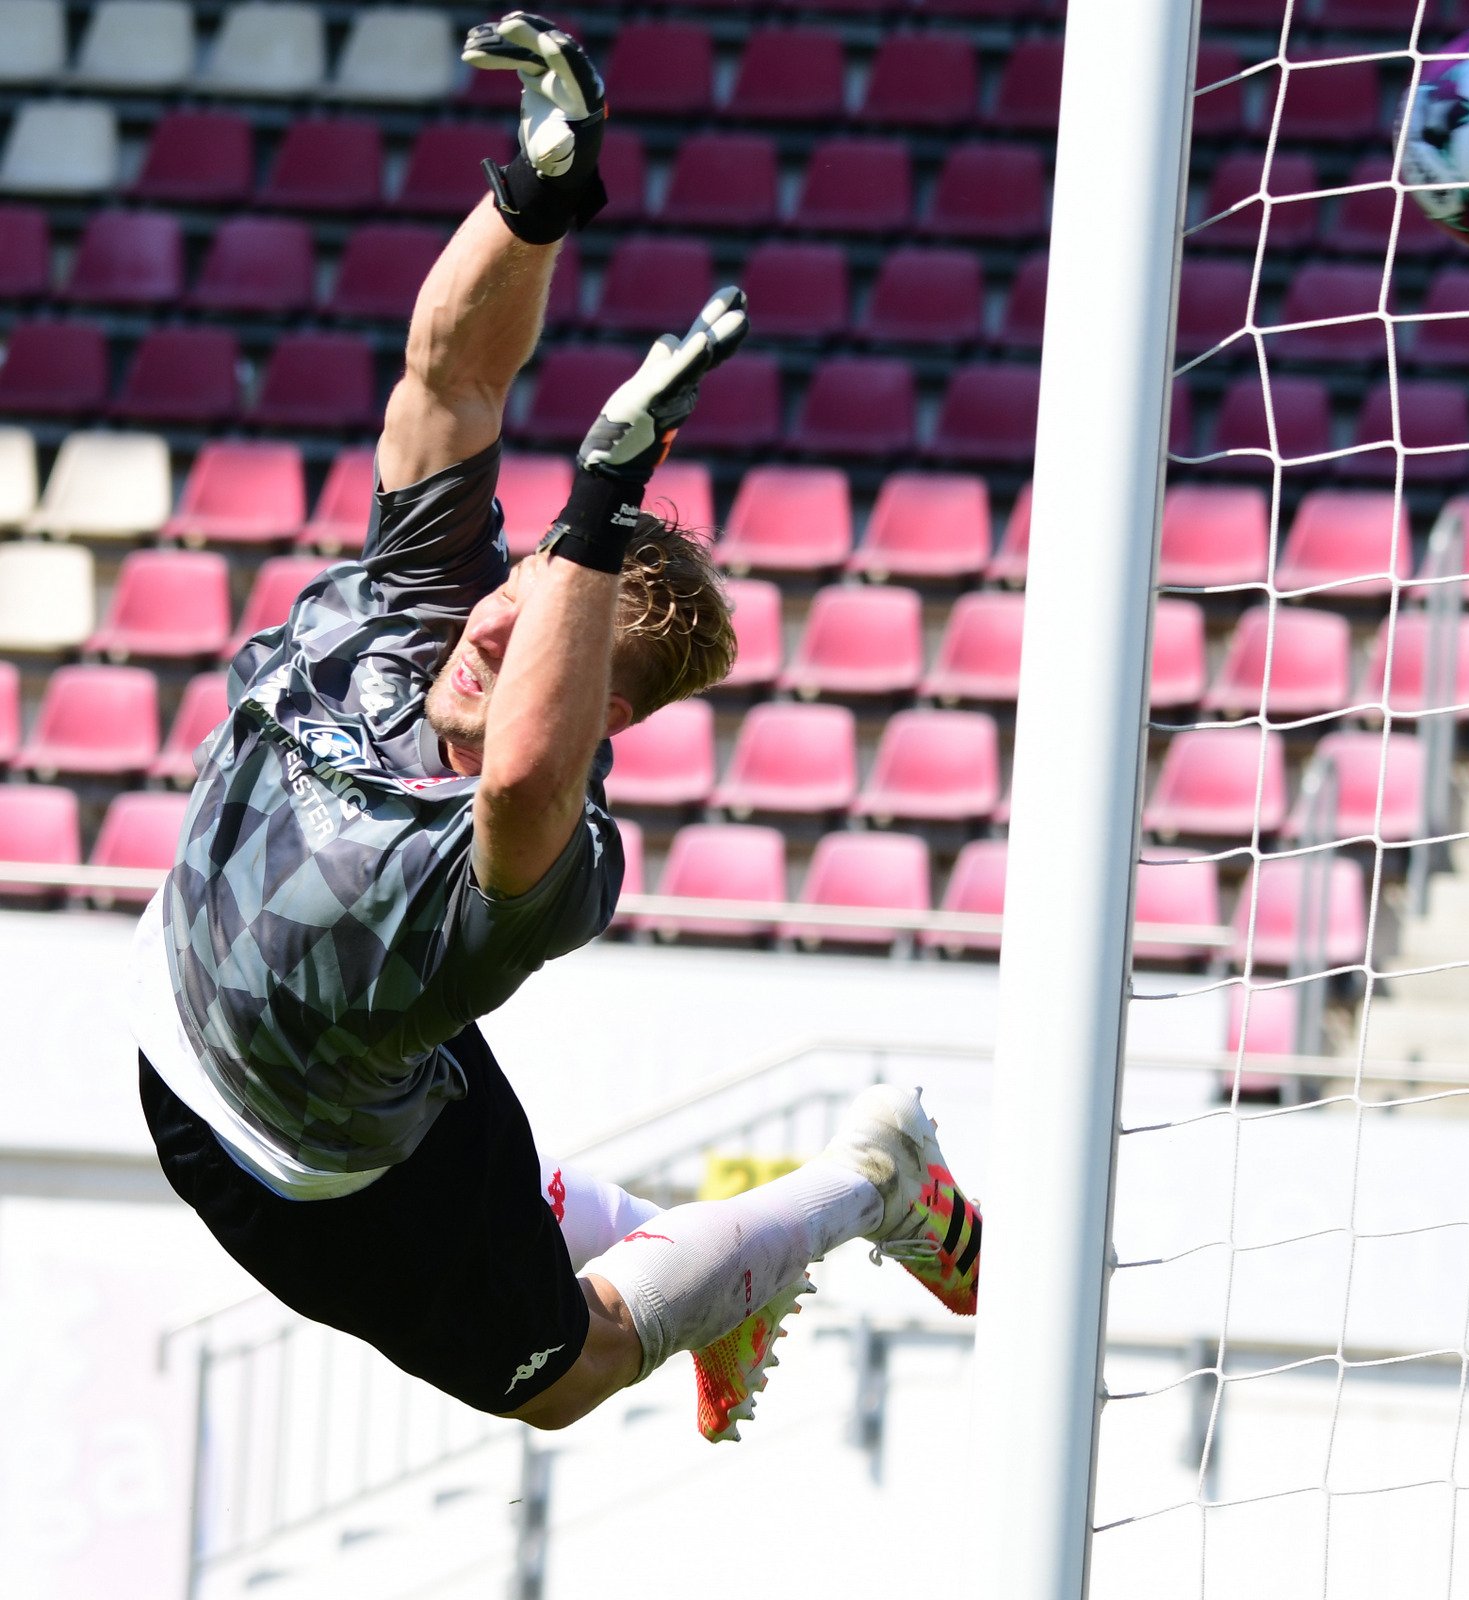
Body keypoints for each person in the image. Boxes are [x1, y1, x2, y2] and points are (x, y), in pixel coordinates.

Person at [132, 12, 981, 1446]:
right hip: (243, 1053)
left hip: (316, 1176)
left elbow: (523, 769)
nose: (488, 631)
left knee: (571, 1375)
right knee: (507, 1177)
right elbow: (447, 380)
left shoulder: (549, 854)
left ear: (608, 710)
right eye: (508, 593)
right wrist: (537, 194)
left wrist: (593, 512)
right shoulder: (419, 601)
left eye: (536, 638)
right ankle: (724, 1268)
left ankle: (873, 1185)